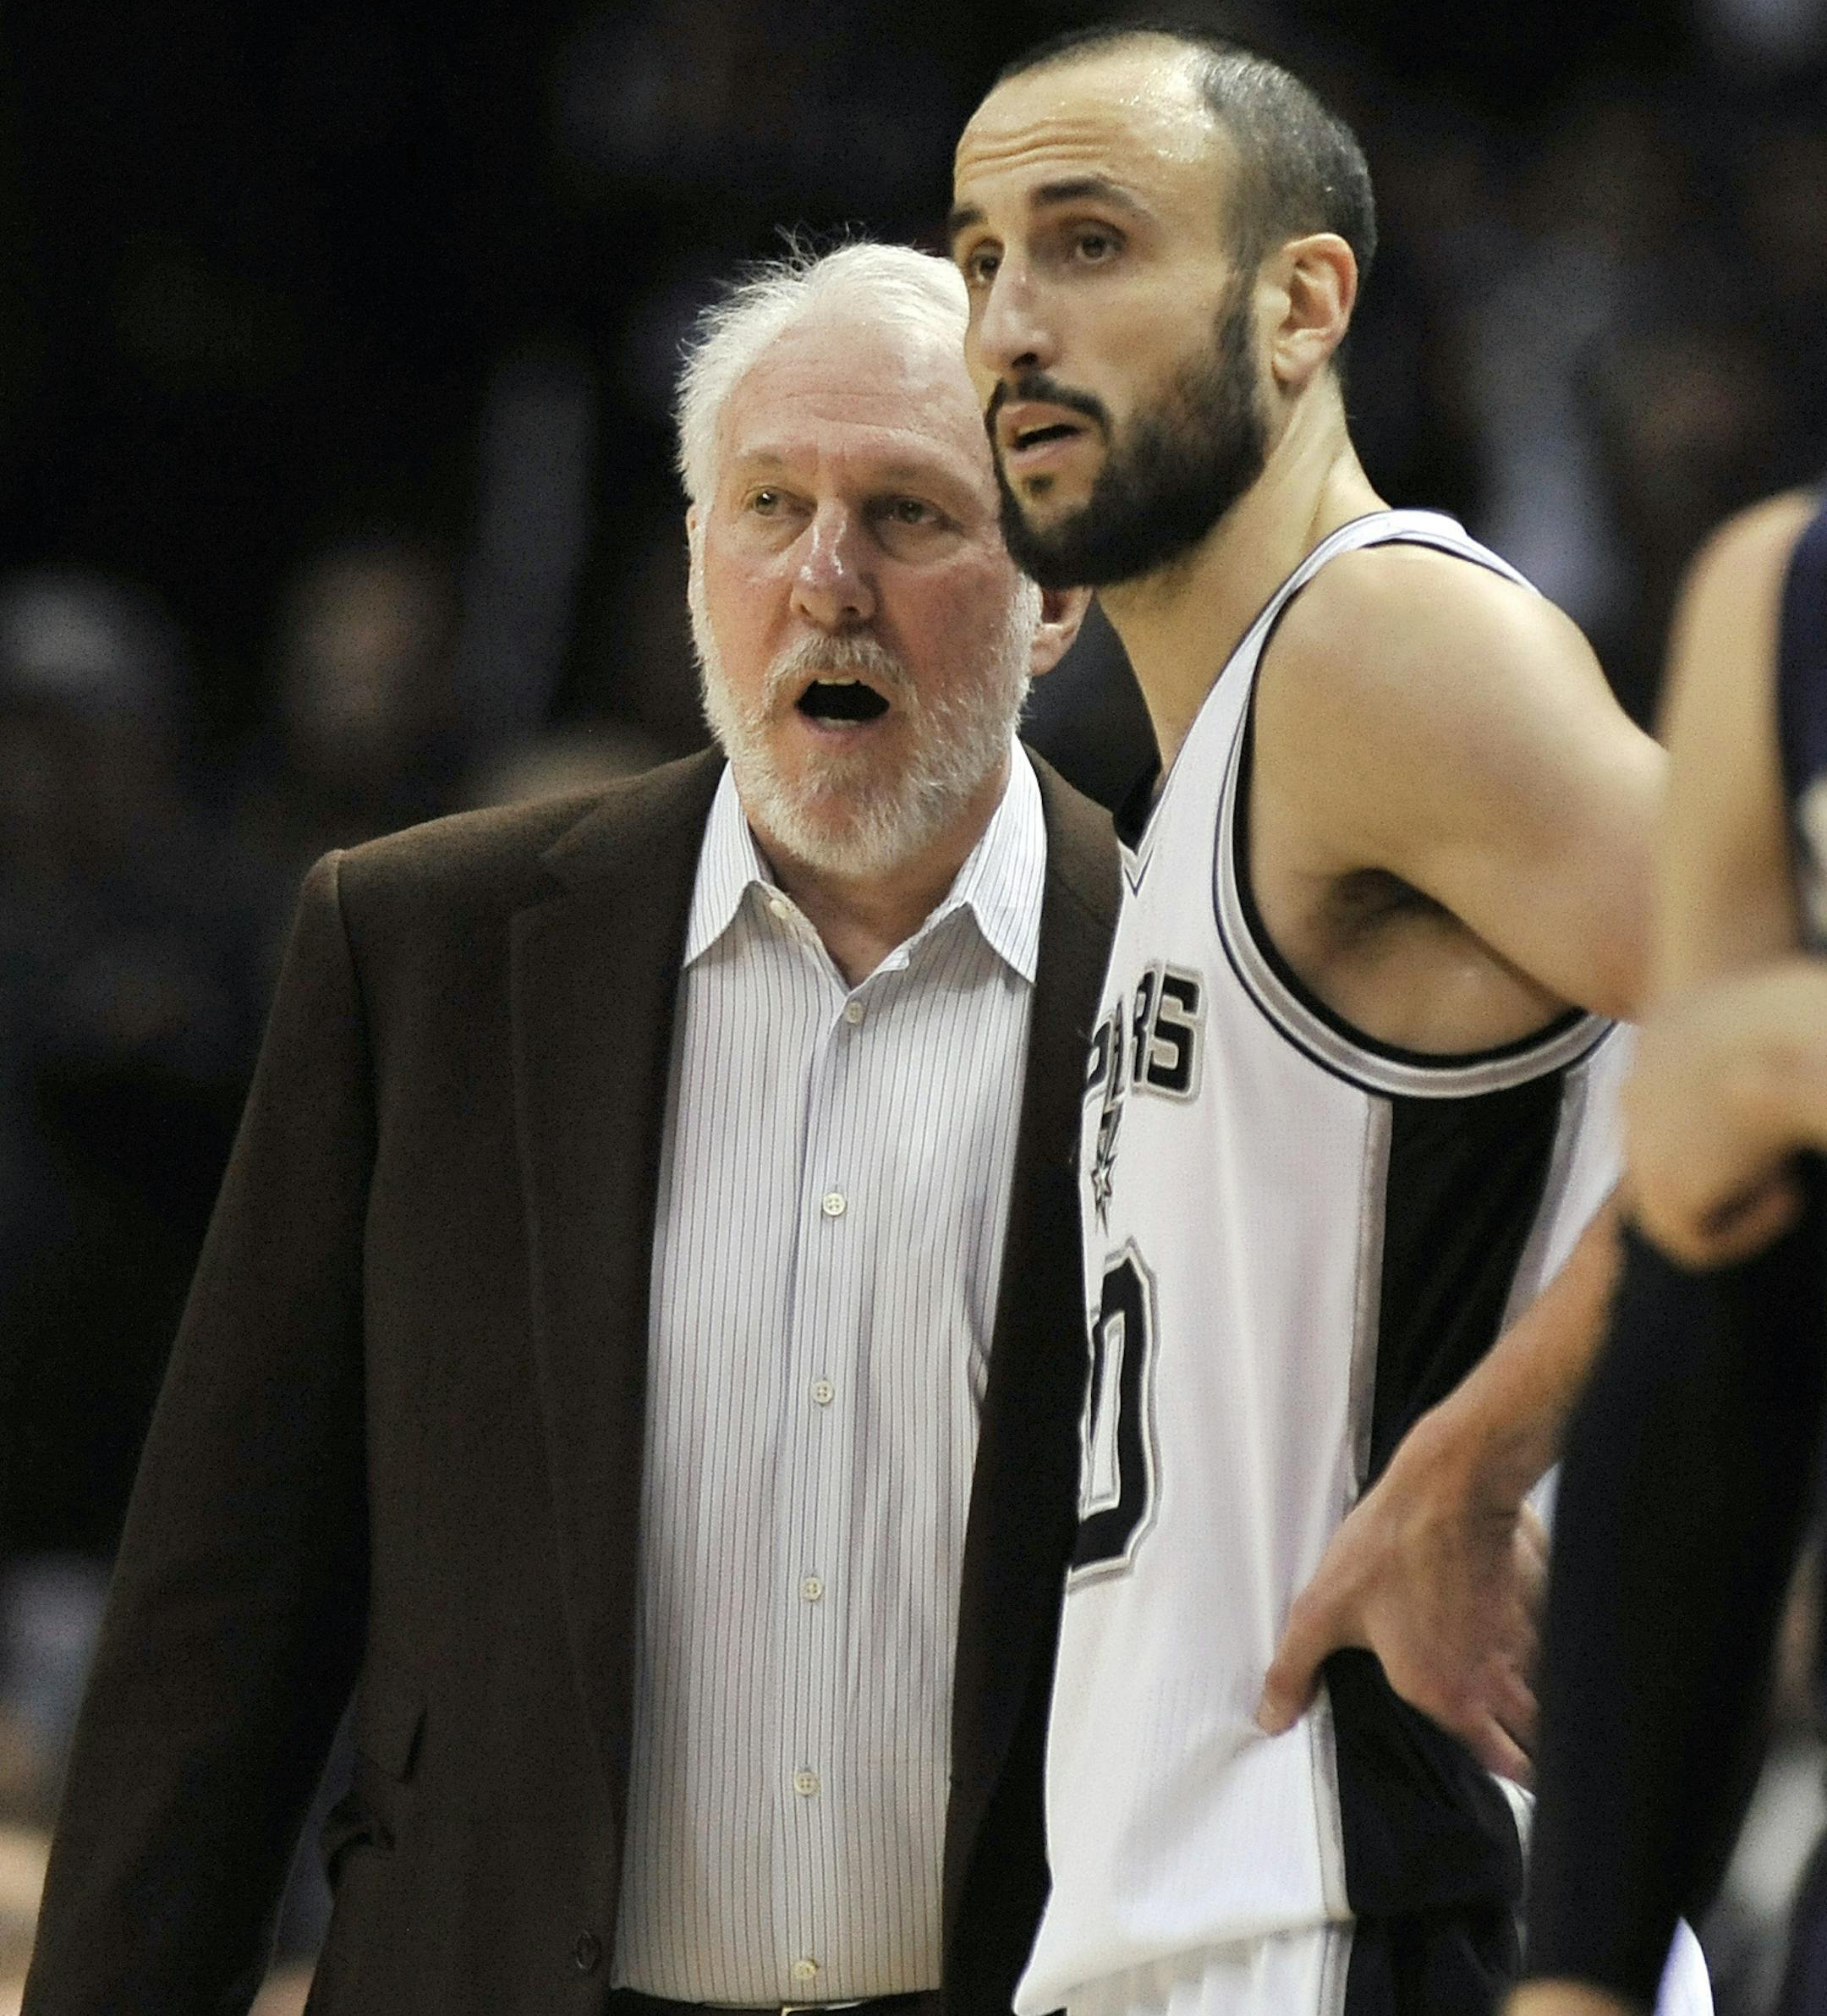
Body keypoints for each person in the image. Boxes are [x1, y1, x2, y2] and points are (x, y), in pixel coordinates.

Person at [19, 243, 1118, 2014]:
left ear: (1057, 592)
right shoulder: (418, 950)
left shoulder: (1183, 980)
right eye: (771, 504)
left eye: (911, 514)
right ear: (694, 561)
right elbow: (216, 1634)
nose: (827, 578)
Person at [947, 25, 1710, 2016]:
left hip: (1386, 1911)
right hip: (1215, 1924)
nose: (1012, 323)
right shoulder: (1191, 791)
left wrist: (1469, 1469)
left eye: (1089, 243)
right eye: (976, 261)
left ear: (1299, 304)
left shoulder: (1382, 643)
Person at [1512, 488, 1827, 2016]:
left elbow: (1741, 1075)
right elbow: (1709, 1296)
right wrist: (1584, 1955)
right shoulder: (1779, 597)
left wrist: (1784, 1052)